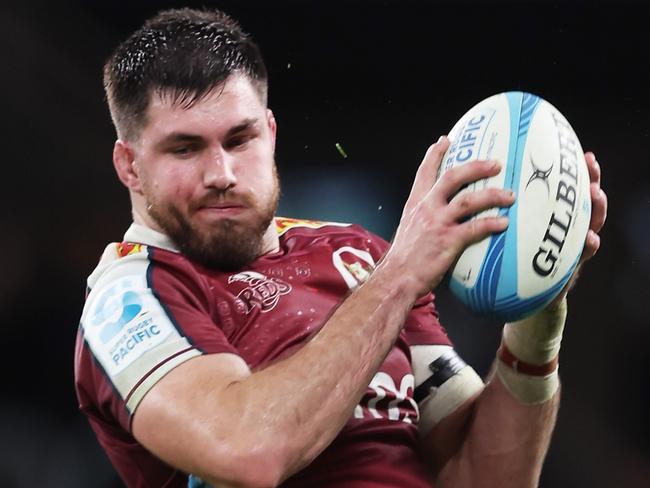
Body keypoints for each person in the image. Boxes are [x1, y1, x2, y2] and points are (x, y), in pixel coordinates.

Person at [74, 7, 607, 488]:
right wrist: (399, 276)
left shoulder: (355, 255)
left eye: (241, 140)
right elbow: (247, 453)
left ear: (271, 132)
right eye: (185, 148)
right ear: (129, 165)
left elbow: (488, 477)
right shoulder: (128, 297)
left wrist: (539, 304)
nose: (222, 173)